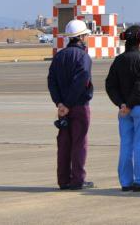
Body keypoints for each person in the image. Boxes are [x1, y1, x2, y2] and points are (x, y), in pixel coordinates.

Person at [105, 25, 140, 192]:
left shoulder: (118, 61)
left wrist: (121, 104)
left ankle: (126, 182)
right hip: (139, 108)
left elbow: (110, 85)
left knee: (126, 145)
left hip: (123, 111)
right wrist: (130, 104)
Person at [47, 19, 95, 190]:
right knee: (79, 143)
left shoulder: (58, 56)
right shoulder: (83, 56)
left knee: (64, 144)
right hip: (79, 106)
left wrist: (59, 103)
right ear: (81, 37)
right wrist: (67, 103)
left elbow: (51, 81)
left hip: (63, 109)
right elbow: (81, 81)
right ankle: (77, 180)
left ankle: (63, 180)